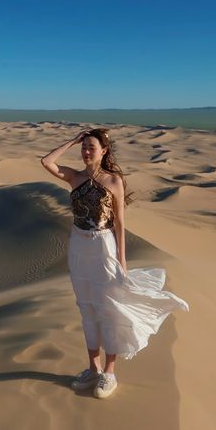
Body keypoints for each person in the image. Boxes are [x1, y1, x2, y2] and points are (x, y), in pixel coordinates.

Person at [41, 127, 189, 399]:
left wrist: (121, 258)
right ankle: (93, 369)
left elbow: (120, 223)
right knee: (86, 309)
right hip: (78, 245)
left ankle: (109, 373)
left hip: (103, 246)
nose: (86, 151)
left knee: (107, 308)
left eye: (91, 147)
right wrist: (73, 140)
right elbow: (46, 162)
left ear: (104, 151)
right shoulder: (75, 177)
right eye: (83, 147)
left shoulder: (113, 180)